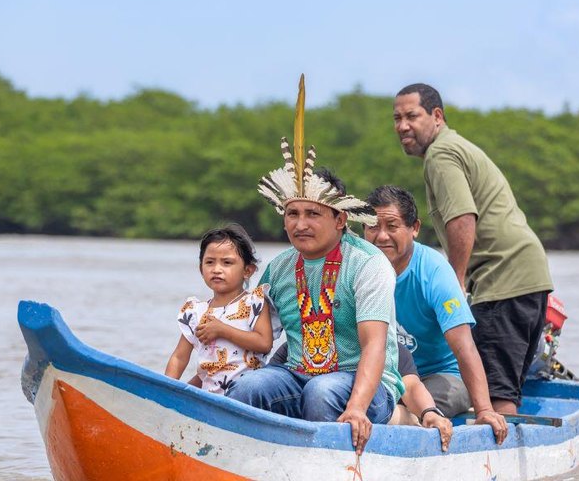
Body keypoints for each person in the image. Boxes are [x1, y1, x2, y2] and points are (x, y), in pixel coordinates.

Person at [227, 78, 404, 455]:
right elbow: (254, 337)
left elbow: (374, 345)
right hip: (298, 375)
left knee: (323, 392)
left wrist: (356, 407)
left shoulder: (368, 264)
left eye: (312, 214)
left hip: (364, 385)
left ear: (340, 220)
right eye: (292, 214)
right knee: (245, 388)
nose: (300, 224)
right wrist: (201, 379)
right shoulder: (277, 269)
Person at [392, 84, 554, 415]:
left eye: (412, 116)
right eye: (397, 118)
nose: (402, 126)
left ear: (437, 116)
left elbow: (462, 216)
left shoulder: (441, 154)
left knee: (495, 393)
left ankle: (495, 461)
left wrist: (456, 279)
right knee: (503, 383)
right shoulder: (452, 148)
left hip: (503, 276)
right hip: (524, 274)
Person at [364, 185, 507, 443]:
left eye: (392, 226)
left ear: (414, 228)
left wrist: (485, 410)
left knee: (433, 397)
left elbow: (465, 346)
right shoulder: (359, 267)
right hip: (384, 374)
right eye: (372, 227)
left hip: (439, 376)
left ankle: (404, 419)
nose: (381, 236)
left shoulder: (434, 271)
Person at [270, 341, 454, 451]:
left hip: (370, 424)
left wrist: (429, 412)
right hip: (300, 431)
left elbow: (411, 386)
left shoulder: (389, 347)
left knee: (403, 416)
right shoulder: (296, 345)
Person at [164, 224, 278, 395]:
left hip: (248, 395)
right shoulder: (195, 311)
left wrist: (222, 330)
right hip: (209, 396)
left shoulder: (254, 303)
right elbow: (179, 357)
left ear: (247, 270)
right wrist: (165, 390)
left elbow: (264, 343)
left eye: (227, 263)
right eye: (210, 262)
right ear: (201, 269)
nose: (217, 269)